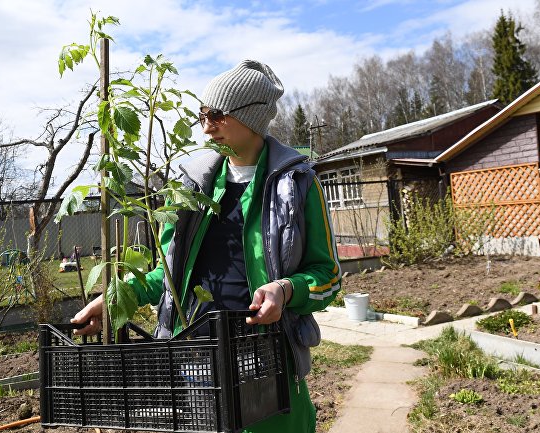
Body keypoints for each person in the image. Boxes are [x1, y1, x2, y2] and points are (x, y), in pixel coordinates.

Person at [72, 59, 341, 432]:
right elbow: (168, 273)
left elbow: (328, 276)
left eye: (217, 114)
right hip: (196, 360)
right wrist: (117, 300)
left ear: (252, 118)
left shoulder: (295, 186)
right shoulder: (193, 188)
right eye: (202, 113)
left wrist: (286, 289)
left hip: (267, 359)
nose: (206, 125)